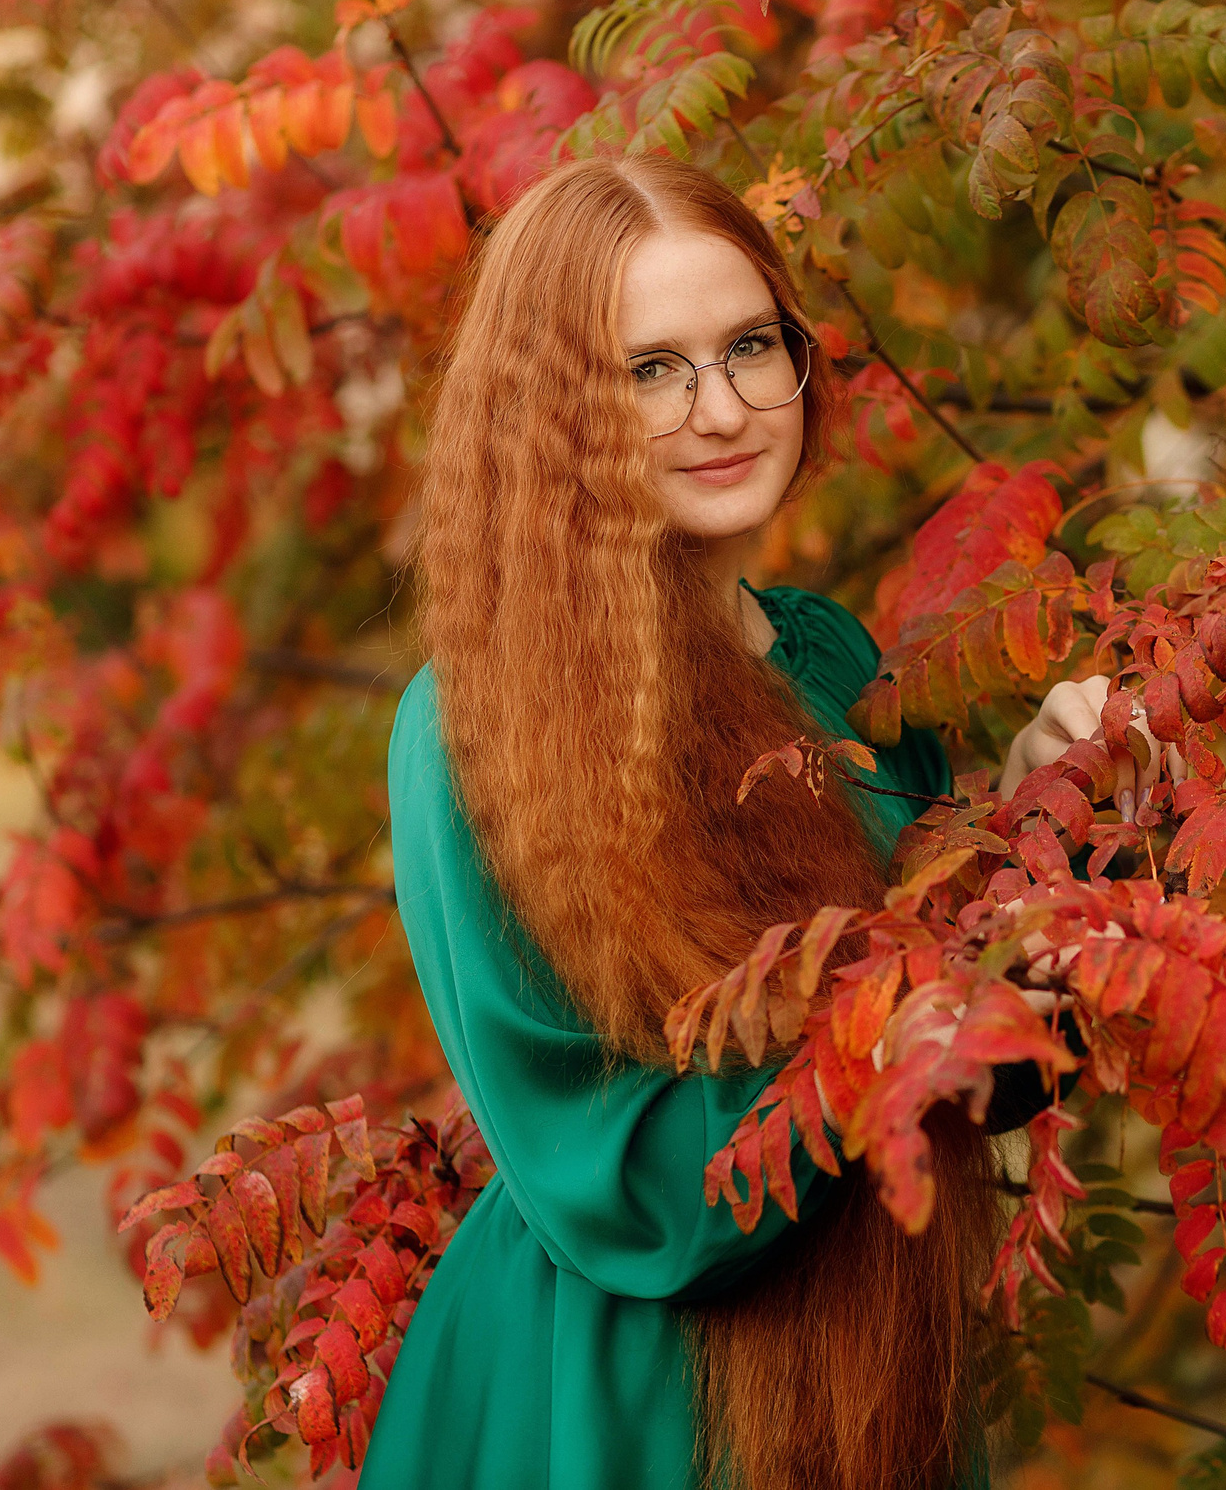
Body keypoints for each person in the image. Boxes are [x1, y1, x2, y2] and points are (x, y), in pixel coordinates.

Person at [363, 154, 1127, 1490]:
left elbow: (992, 1066)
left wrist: (1057, 822)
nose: (718, 409)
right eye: (648, 369)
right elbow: (618, 1180)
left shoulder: (832, 660)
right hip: (627, 1406)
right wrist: (891, 1026)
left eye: (748, 347)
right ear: (552, 416)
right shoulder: (470, 728)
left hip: (872, 1381)